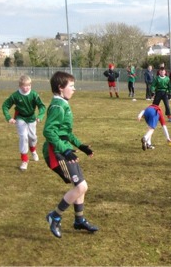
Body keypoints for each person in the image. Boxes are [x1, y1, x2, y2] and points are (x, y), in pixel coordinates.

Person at [43, 71, 98, 238]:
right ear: (60, 88)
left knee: (79, 187)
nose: (74, 89)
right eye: (71, 86)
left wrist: (81, 146)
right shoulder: (58, 106)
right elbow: (49, 131)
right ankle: (55, 216)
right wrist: (65, 150)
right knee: (81, 187)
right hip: (56, 153)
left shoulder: (62, 104)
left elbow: (66, 132)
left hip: (64, 150)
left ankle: (79, 220)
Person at [2, 75, 46, 171]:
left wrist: (40, 116)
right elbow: (5, 106)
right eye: (24, 86)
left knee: (32, 137)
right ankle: (24, 160)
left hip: (31, 118)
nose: (26, 88)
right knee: (24, 137)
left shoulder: (34, 94)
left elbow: (42, 106)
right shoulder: (15, 95)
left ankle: (33, 150)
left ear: (31, 85)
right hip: (20, 118)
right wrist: (8, 117)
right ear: (20, 86)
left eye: (28, 85)